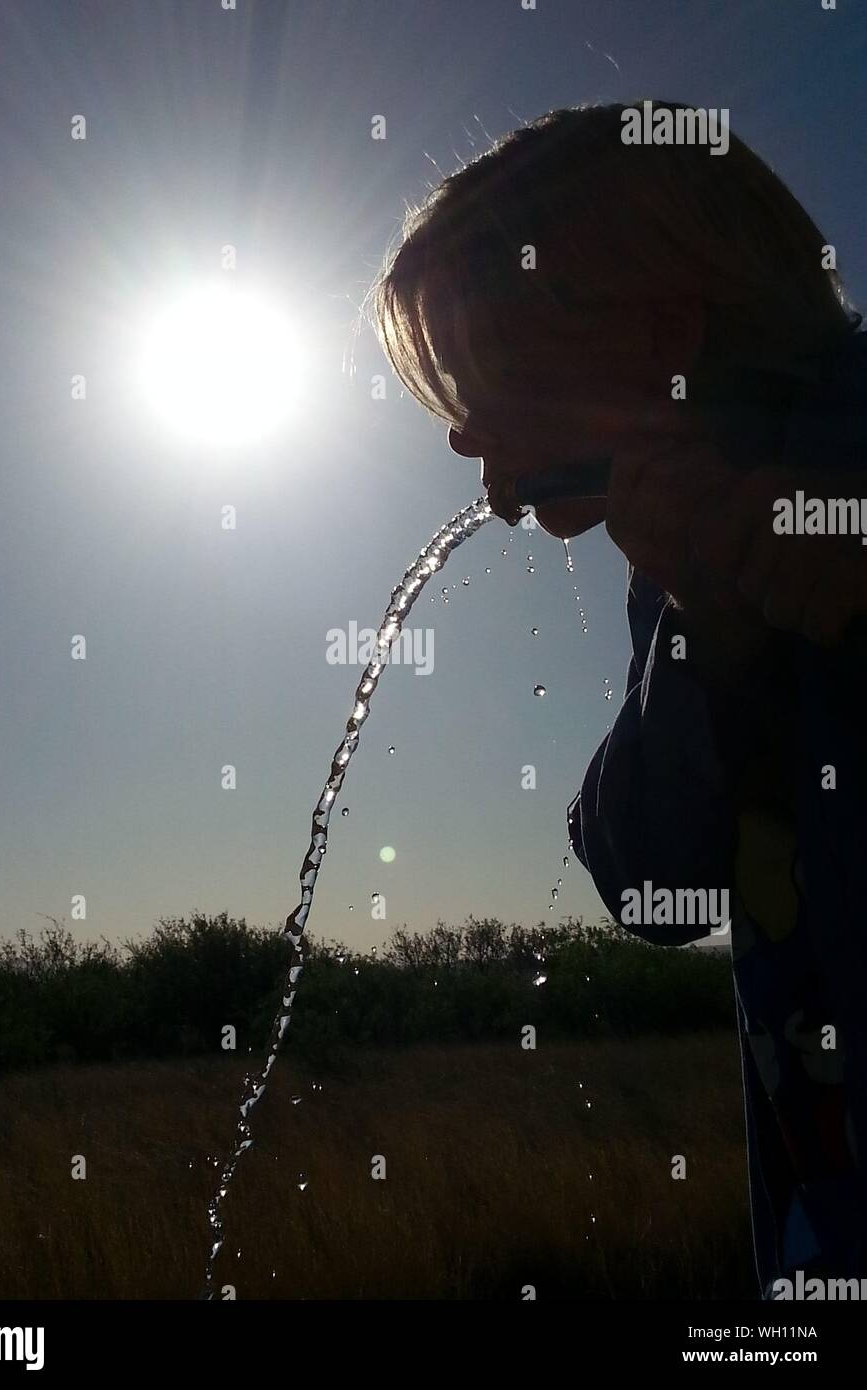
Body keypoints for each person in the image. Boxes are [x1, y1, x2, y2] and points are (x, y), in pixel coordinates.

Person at [370, 99, 867, 1297]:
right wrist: (716, 630)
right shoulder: (676, 552)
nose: (459, 437)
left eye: (484, 377)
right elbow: (647, 878)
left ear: (666, 334)